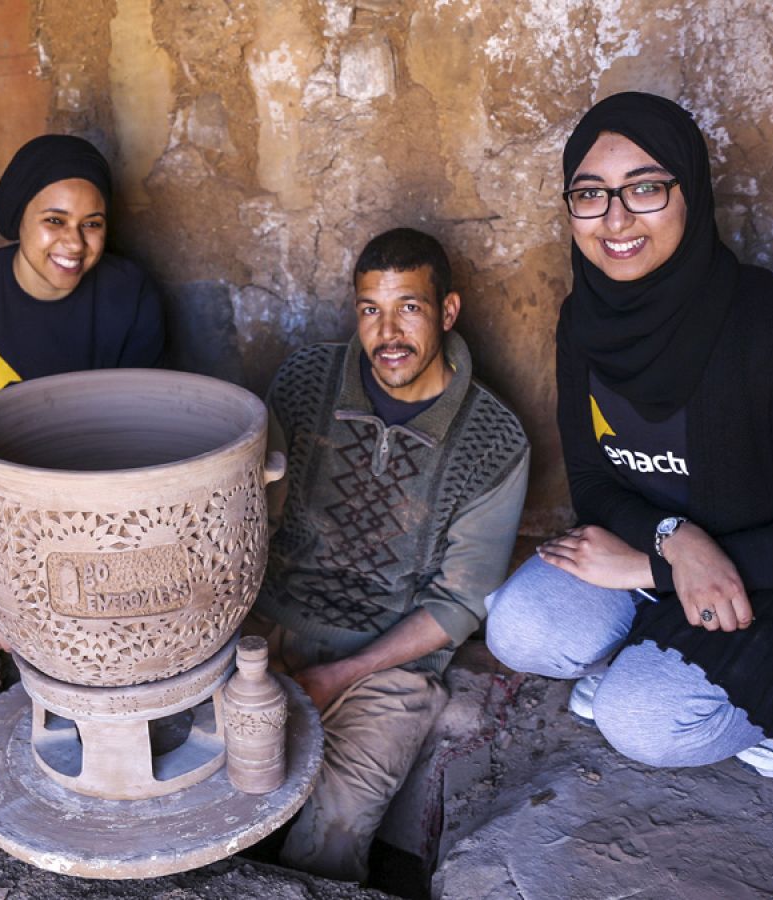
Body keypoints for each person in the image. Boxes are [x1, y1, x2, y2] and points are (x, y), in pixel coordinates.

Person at [485, 92, 773, 779]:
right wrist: (672, 540)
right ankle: (658, 643)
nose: (615, 220)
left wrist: (652, 566)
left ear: (690, 192)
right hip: (656, 543)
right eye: (591, 194)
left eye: (644, 189)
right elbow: (592, 481)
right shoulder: (585, 320)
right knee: (518, 630)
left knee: (643, 723)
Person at [250, 228, 529, 882]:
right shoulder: (304, 382)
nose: (388, 331)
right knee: (198, 784)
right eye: (371, 309)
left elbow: (459, 603)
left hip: (387, 665)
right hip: (267, 628)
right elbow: (250, 519)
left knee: (334, 832)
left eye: (410, 307)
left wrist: (340, 674)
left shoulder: (492, 441)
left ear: (448, 311)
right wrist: (248, 644)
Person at [0, 134, 165, 649]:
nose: (73, 243)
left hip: (95, 483)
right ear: (18, 220)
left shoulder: (129, 293)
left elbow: (144, 431)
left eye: (91, 224)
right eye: (54, 220)